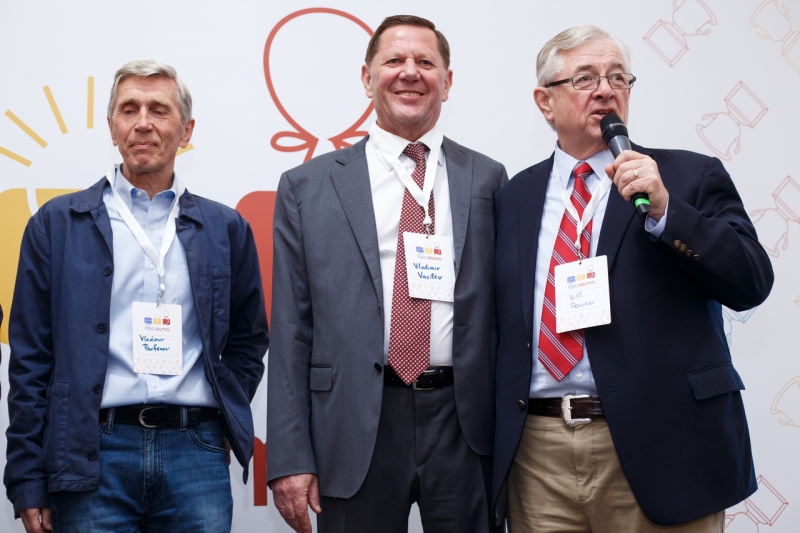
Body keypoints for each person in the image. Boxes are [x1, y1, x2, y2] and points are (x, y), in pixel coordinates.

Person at [492, 25, 774, 533]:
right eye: (585, 78)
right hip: (538, 455)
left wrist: (667, 211)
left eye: (618, 77)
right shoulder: (513, 196)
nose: (605, 90)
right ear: (545, 101)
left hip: (665, 443)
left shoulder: (687, 176)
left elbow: (750, 281)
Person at [4, 60, 269, 533]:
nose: (143, 122)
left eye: (159, 110)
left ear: (186, 131)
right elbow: (30, 361)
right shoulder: (57, 224)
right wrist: (27, 478)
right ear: (112, 128)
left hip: (195, 452)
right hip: (91, 453)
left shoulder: (225, 228)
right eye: (129, 110)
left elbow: (249, 340)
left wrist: (223, 413)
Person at [267, 14, 507, 533]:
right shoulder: (307, 187)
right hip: (354, 423)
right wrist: (288, 455)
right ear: (367, 76)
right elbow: (290, 330)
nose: (410, 72)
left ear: (447, 81)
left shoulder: (487, 179)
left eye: (425, 62)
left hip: (464, 424)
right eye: (394, 60)